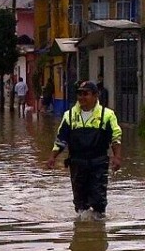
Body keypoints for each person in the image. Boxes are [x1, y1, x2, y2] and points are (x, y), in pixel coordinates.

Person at [46, 81, 122, 220]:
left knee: (98, 200)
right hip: (77, 163)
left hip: (98, 162)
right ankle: (81, 232)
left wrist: (117, 157)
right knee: (80, 203)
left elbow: (115, 138)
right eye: (79, 93)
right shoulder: (69, 116)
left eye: (85, 93)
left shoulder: (107, 115)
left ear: (95, 96)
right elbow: (61, 139)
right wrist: (53, 157)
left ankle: (98, 232)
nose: (81, 97)